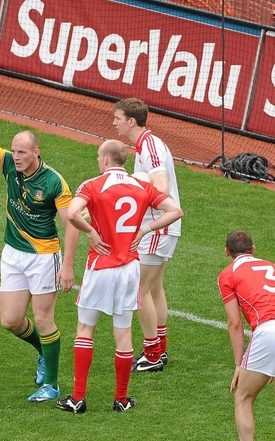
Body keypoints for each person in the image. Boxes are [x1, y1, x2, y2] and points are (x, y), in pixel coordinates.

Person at [0, 96, 78, 403]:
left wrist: (68, 265)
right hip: (12, 254)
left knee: (43, 319)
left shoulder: (54, 182)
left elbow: (72, 223)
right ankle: (42, 352)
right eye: (15, 151)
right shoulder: (9, 164)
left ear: (36, 152)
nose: (17, 157)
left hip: (43, 257)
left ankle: (52, 384)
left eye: (22, 152)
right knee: (10, 320)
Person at [56, 140, 182, 414]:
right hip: (129, 269)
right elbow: (176, 211)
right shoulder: (143, 187)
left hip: (100, 266)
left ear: (105, 159)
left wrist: (91, 233)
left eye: (98, 156)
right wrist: (145, 230)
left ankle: (78, 398)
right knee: (123, 333)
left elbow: (73, 213)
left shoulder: (92, 185)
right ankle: (121, 400)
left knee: (85, 329)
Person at [112, 97, 182, 372]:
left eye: (117, 118)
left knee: (138, 291)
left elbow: (160, 188)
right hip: (162, 227)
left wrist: (132, 184)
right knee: (154, 288)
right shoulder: (147, 145)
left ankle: (152, 355)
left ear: (131, 121)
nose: (114, 123)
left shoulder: (150, 146)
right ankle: (159, 350)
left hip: (157, 227)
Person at [218, 230, 275, 441]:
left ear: (227, 252)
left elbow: (235, 323)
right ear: (253, 249)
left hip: (269, 333)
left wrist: (239, 364)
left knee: (243, 398)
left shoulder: (227, 275)